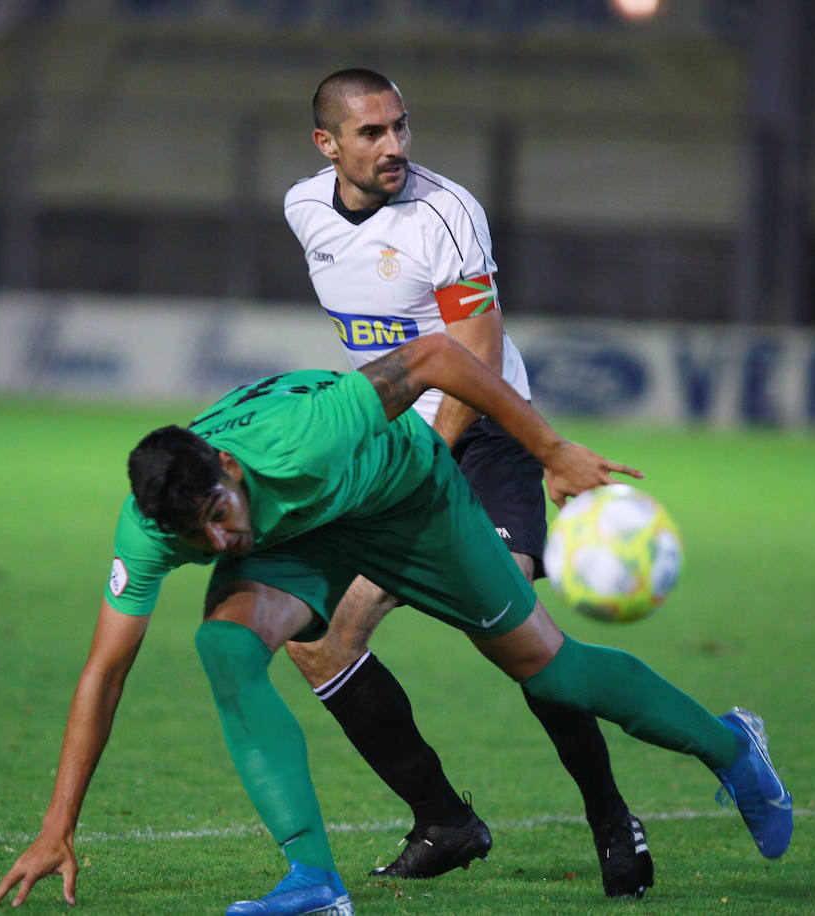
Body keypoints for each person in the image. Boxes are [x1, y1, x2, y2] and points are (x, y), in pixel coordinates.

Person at [0, 333, 793, 915]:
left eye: (218, 517)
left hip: (410, 501)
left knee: (552, 671)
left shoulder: (308, 435)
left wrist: (548, 450)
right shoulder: (152, 526)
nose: (217, 543)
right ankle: (313, 884)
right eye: (194, 537)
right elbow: (106, 670)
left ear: (229, 470)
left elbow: (442, 356)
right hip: (303, 542)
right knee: (225, 646)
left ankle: (731, 747)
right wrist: (57, 829)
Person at [281, 68, 650, 896]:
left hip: (482, 444)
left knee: (522, 646)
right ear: (326, 143)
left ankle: (609, 817)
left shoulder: (446, 213)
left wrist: (427, 465)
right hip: (389, 454)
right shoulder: (304, 208)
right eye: (371, 133)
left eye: (401, 127)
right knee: (318, 640)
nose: (393, 147)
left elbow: (476, 361)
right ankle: (444, 820)